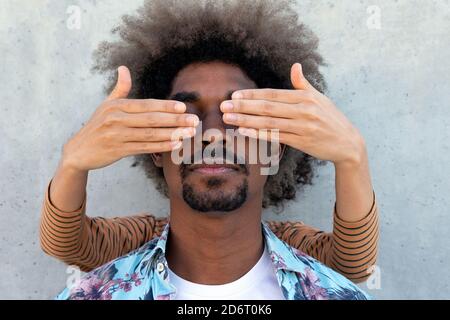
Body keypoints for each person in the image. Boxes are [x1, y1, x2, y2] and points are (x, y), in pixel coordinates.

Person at [44, 0, 378, 300]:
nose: (214, 135)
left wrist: (352, 156)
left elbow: (352, 261)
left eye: (239, 114)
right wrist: (73, 162)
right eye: (188, 114)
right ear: (154, 147)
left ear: (275, 148)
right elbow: (68, 242)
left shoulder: (311, 271)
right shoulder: (104, 282)